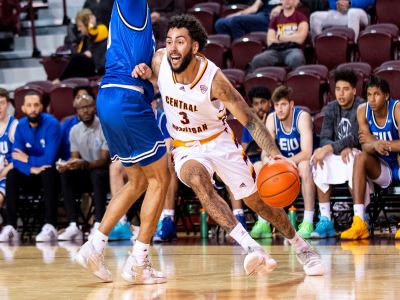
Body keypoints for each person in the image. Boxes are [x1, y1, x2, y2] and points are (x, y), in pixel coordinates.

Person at [134, 14, 324, 277]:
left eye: (180, 42)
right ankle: (252, 248)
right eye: (169, 42)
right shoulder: (160, 60)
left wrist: (275, 155)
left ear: (195, 47)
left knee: (258, 202)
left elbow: (250, 121)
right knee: (199, 181)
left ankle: (301, 246)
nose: (172, 48)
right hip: (185, 144)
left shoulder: (214, 80)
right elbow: (154, 79)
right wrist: (144, 74)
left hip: (219, 141)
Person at [76, 0, 170, 284]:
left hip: (113, 96)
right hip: (126, 98)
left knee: (139, 182)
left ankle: (95, 246)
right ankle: (139, 261)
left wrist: (150, 75)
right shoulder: (132, 4)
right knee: (160, 180)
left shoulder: (136, 17)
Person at [341, 76, 400, 240]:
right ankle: (359, 222)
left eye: (377, 94)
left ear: (386, 96)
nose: (372, 99)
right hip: (383, 167)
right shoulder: (363, 111)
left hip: (398, 162)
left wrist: (381, 143)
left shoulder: (397, 109)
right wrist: (374, 145)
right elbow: (365, 145)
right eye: (369, 94)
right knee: (360, 157)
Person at [0, 91, 61, 243]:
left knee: (48, 171)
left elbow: (49, 159)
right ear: (23, 108)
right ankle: (11, 227)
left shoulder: (52, 124)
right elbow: (15, 157)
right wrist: (30, 169)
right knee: (13, 174)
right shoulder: (21, 126)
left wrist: (27, 159)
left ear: (41, 107)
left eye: (36, 105)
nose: (33, 109)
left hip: (52, 175)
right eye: (29, 105)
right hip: (32, 174)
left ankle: (50, 225)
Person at [310, 69, 363, 238]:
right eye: (338, 89)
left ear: (354, 91)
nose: (341, 93)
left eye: (345, 89)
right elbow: (325, 138)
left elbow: (357, 137)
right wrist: (332, 148)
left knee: (353, 157)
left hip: (357, 154)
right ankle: (326, 219)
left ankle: (359, 218)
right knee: (319, 157)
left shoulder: (361, 107)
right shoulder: (332, 107)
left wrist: (332, 148)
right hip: (339, 152)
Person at [263, 86, 316, 238]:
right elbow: (265, 152)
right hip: (284, 166)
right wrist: (269, 162)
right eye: (276, 105)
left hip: (301, 163)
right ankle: (263, 221)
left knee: (304, 166)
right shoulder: (271, 119)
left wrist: (284, 162)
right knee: (260, 167)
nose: (279, 109)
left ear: (291, 104)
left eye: (283, 105)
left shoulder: (302, 117)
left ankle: (308, 221)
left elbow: (306, 153)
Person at [57, 93, 110, 241]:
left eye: (88, 107)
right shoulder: (74, 130)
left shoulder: (104, 126)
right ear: (76, 111)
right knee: (66, 175)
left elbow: (104, 160)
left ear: (94, 108)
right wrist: (67, 165)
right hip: (86, 173)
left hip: (105, 175)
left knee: (98, 174)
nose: (85, 111)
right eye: (81, 108)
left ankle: (98, 223)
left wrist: (83, 163)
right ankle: (73, 225)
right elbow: (75, 158)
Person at [241, 86, 273, 238]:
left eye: (263, 102)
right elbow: (244, 149)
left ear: (269, 103)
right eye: (256, 104)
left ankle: (263, 221)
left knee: (260, 166)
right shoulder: (250, 123)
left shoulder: (274, 119)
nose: (260, 107)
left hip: (270, 163)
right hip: (253, 164)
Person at [247, 0, 308, 72]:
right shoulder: (275, 19)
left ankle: (298, 82)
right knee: (257, 59)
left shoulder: (301, 17)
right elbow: (270, 41)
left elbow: (300, 39)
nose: (287, 1)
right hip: (274, 51)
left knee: (297, 58)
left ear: (295, 1)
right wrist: (292, 37)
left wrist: (280, 37)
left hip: (293, 49)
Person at [152, 98, 179, 242]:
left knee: (166, 162)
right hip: (147, 165)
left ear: (154, 104)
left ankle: (168, 218)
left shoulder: (162, 118)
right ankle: (122, 222)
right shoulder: (136, 120)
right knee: (117, 167)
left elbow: (168, 148)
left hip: (169, 162)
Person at [59, 9, 108, 80]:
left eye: (80, 26)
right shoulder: (85, 37)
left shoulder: (102, 29)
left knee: (76, 58)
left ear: (87, 24)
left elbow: (93, 36)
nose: (78, 29)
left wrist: (91, 25)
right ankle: (65, 85)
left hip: (99, 67)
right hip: (90, 67)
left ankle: (60, 80)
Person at [215, 0, 281, 40]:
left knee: (236, 20)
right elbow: (254, 8)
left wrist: (280, 7)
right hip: (261, 15)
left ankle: (240, 50)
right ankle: (229, 54)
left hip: (271, 18)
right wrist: (237, 14)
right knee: (220, 23)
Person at [310, 0, 374, 41]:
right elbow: (331, 2)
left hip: (360, 12)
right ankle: (320, 48)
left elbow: (370, 1)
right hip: (340, 12)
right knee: (315, 17)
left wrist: (350, 3)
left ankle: (352, 47)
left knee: (352, 12)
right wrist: (337, 5)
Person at [0, 89, 18, 215]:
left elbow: (21, 157)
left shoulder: (14, 126)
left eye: (1, 103)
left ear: (7, 104)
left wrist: (4, 171)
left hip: (9, 175)